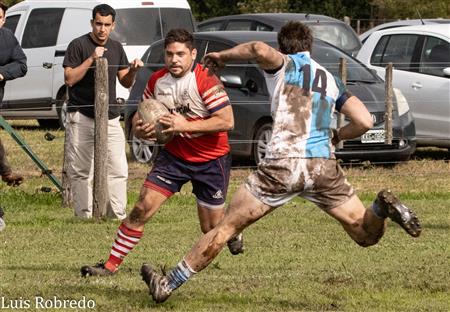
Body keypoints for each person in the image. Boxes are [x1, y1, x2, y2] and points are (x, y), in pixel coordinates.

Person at [139, 21, 422, 303]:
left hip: (283, 164)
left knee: (225, 228)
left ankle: (169, 282)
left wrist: (222, 57)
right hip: (321, 166)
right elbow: (364, 120)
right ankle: (381, 207)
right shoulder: (329, 78)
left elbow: (256, 48)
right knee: (364, 233)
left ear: (282, 47)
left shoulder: (283, 64)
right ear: (309, 47)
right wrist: (336, 136)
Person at [80, 28, 243, 277]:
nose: (174, 59)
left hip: (211, 160)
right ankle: (110, 266)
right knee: (142, 208)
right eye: (169, 54)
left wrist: (184, 125)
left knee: (210, 227)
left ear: (193, 54)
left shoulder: (205, 80)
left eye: (180, 54)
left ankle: (235, 229)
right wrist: (141, 130)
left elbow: (226, 120)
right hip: (174, 157)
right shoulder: (157, 80)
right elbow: (141, 114)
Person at [63, 4, 143, 219]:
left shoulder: (117, 47)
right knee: (82, 170)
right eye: (98, 23)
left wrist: (134, 70)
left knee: (118, 168)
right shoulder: (78, 45)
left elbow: (125, 81)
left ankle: (116, 214)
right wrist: (91, 59)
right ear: (92, 23)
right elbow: (69, 79)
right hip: (81, 114)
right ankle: (85, 215)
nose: (102, 29)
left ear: (113, 25)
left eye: (107, 25)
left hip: (110, 116)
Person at [0, 1, 27, 187]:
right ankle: (5, 171)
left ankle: (5, 171)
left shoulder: (7, 37)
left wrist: (2, 73)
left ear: (3, 20)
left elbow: (21, 64)